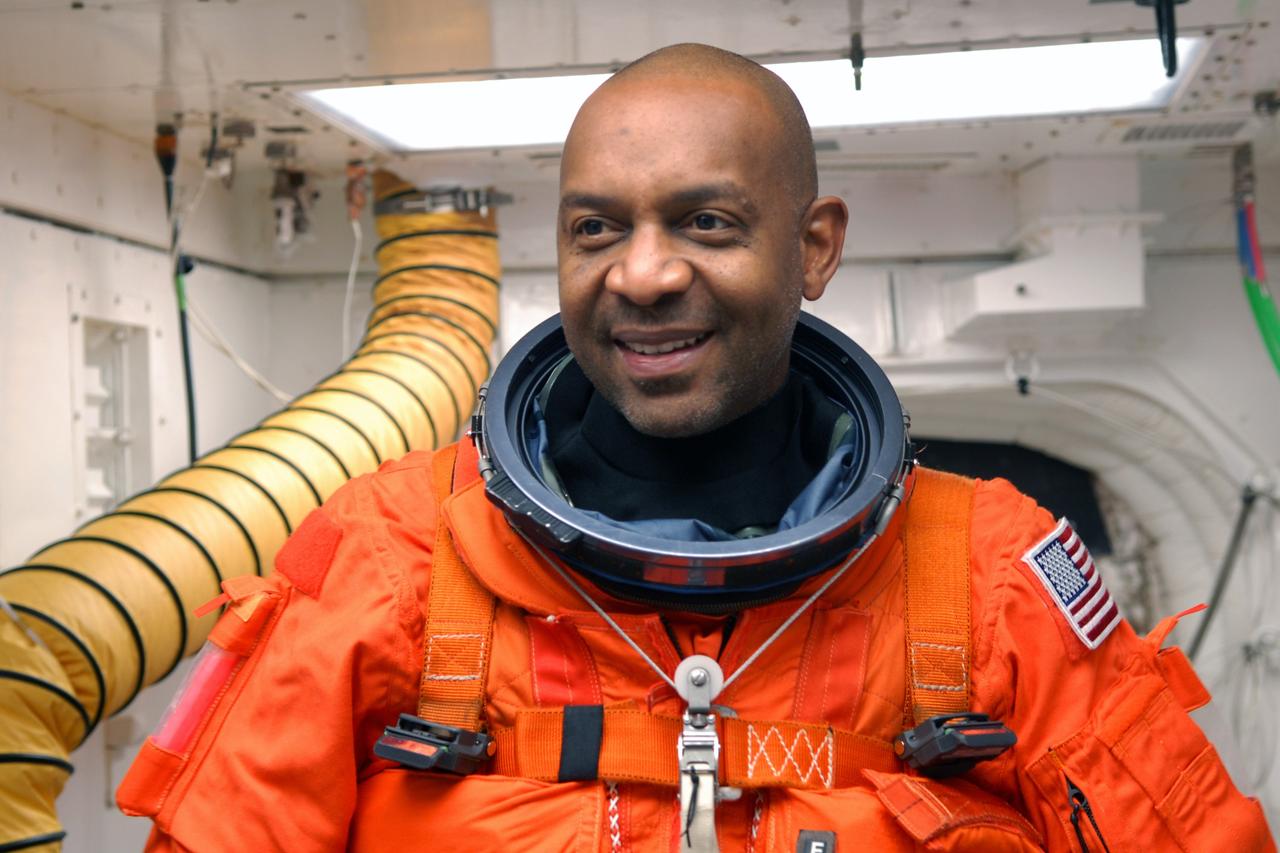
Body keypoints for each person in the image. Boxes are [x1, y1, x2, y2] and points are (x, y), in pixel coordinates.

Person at [119, 44, 1274, 852]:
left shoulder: (986, 580)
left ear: (811, 247)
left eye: (704, 221)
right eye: (596, 228)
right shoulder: (391, 557)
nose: (642, 272)